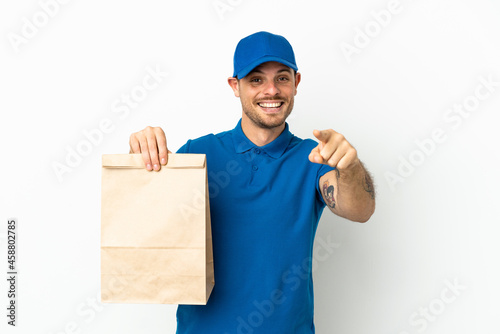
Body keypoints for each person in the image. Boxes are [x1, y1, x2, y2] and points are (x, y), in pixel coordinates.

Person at [129, 31, 375, 334]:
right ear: (236, 86)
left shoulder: (313, 159)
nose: (271, 90)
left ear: (296, 83)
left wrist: (348, 167)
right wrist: (141, 161)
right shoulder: (198, 152)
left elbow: (359, 210)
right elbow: (148, 227)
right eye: (256, 80)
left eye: (282, 78)